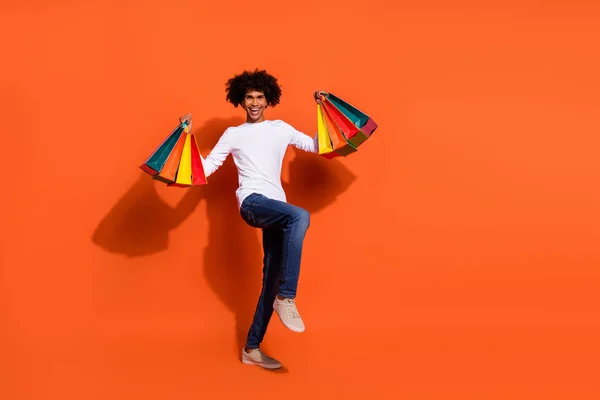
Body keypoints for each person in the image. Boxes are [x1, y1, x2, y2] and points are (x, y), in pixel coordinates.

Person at [180, 69, 327, 369]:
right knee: (300, 216)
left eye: (260, 97)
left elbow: (315, 145)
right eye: (249, 97)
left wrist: (323, 109)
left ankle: (251, 348)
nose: (255, 102)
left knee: (270, 280)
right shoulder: (234, 135)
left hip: (277, 210)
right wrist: (186, 137)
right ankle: (287, 298)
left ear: (268, 99)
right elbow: (205, 169)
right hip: (252, 203)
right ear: (241, 100)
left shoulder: (280, 128)